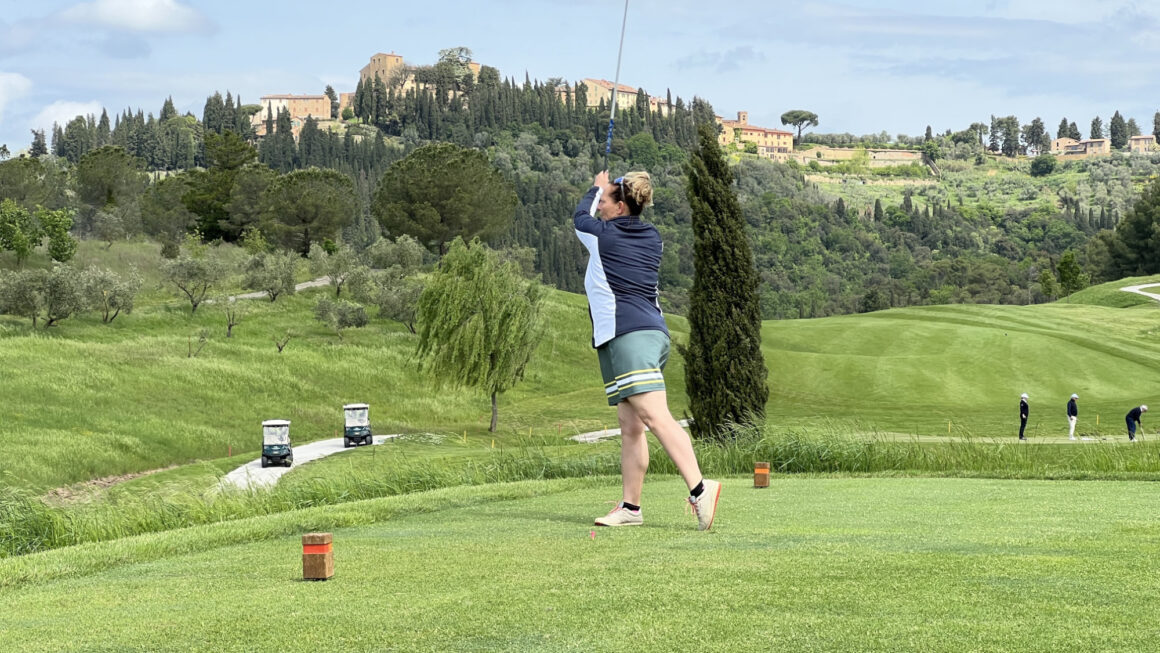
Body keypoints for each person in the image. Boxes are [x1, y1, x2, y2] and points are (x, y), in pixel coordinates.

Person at [573, 170, 721, 531]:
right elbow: (597, 216)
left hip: (630, 335)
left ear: (620, 207)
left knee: (655, 418)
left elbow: (579, 218)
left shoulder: (602, 236)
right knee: (630, 425)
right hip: (645, 334)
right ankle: (630, 508)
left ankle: (701, 489)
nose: (600, 206)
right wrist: (611, 186)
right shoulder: (651, 235)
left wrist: (595, 185)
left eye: (606, 201)